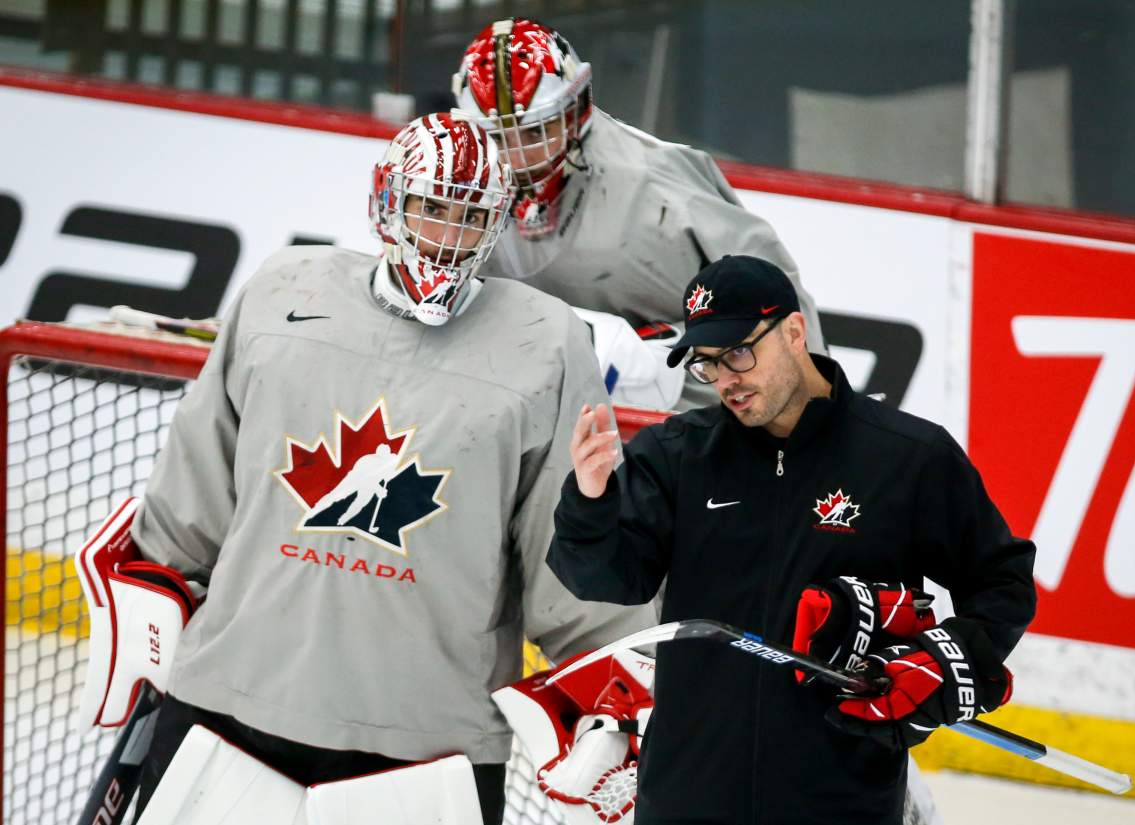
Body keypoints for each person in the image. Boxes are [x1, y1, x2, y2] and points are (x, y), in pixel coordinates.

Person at [123, 112, 655, 824]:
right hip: (230, 704)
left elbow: (573, 541)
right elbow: (196, 486)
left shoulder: (545, 344)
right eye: (430, 207)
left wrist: (606, 698)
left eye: (469, 217)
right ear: (385, 199)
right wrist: (148, 595)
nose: (444, 236)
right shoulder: (283, 294)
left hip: (426, 743)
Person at [547, 255, 1037, 824]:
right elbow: (608, 579)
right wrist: (590, 499)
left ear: (795, 332)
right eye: (706, 364)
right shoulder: (678, 455)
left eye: (737, 353)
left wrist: (943, 659)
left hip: (839, 802)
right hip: (687, 796)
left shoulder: (908, 460)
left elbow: (1002, 582)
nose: (725, 379)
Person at [452, 17, 827, 410]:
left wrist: (815, 410)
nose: (518, 158)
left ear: (575, 109)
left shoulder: (655, 183)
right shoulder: (461, 183)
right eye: (496, 137)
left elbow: (774, 294)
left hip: (684, 418)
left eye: (535, 132)